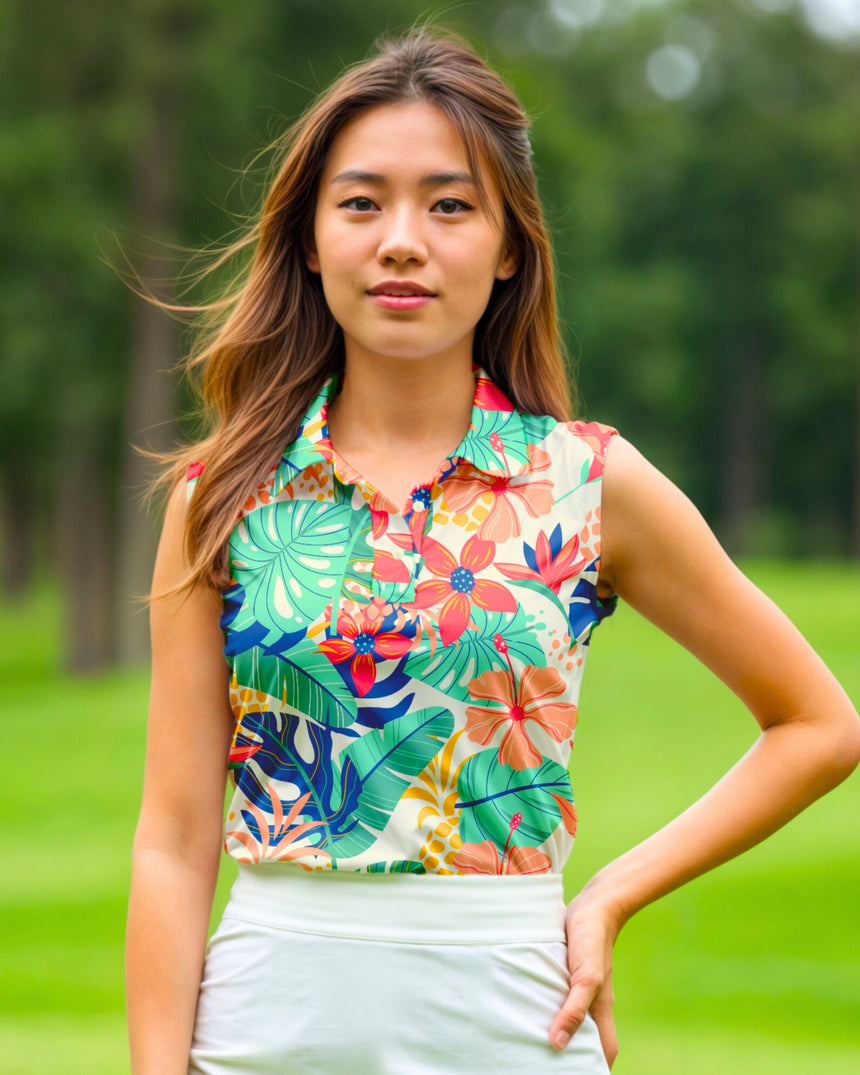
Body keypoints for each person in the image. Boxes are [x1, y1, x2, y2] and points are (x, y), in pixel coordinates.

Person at [125, 27, 860, 1075]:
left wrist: (608, 891)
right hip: (259, 1030)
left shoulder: (586, 480)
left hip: (512, 1026)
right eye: (362, 201)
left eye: (449, 204)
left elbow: (817, 725)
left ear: (509, 243)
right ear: (308, 237)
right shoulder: (222, 498)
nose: (401, 240)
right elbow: (173, 838)